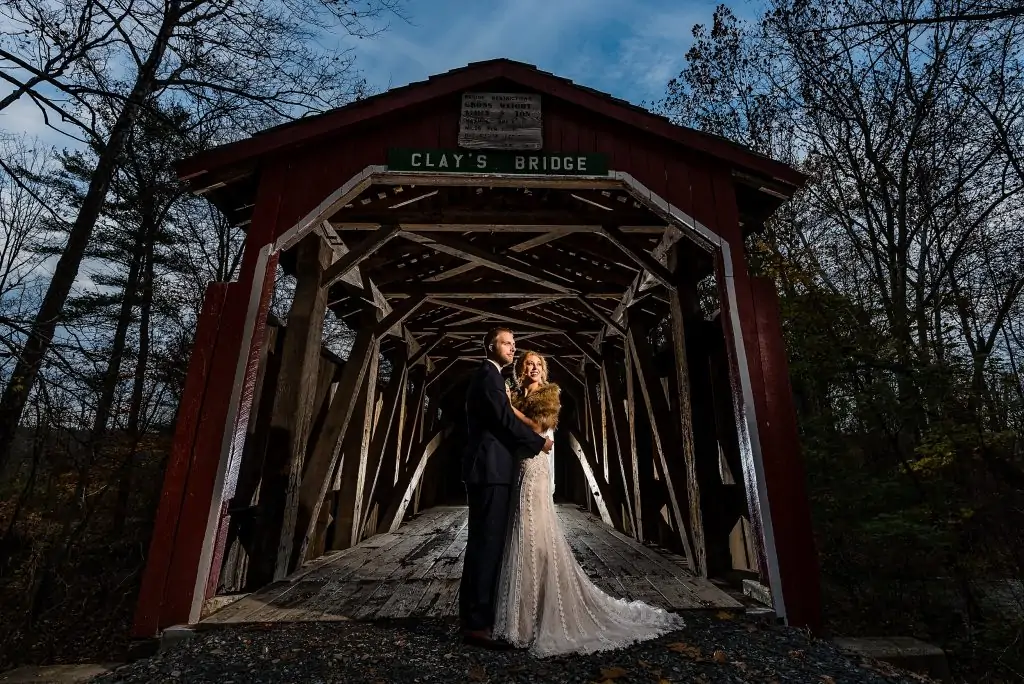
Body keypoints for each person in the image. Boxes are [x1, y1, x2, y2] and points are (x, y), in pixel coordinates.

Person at [492, 350, 685, 657]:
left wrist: (508, 410)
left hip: (535, 470)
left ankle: (536, 618)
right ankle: (519, 619)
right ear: (520, 369)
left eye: (538, 364)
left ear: (543, 369)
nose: (533, 367)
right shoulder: (515, 396)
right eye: (528, 363)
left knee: (533, 534)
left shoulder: (549, 394)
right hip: (517, 466)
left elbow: (538, 430)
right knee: (521, 534)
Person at [459, 327, 554, 648]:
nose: (512, 348)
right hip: (490, 470)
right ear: (490, 345)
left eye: (515, 343)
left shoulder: (494, 377)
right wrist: (539, 442)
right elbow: (503, 418)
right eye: (506, 343)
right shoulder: (489, 376)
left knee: (488, 544)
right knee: (485, 545)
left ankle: (481, 617)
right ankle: (476, 624)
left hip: (495, 470)